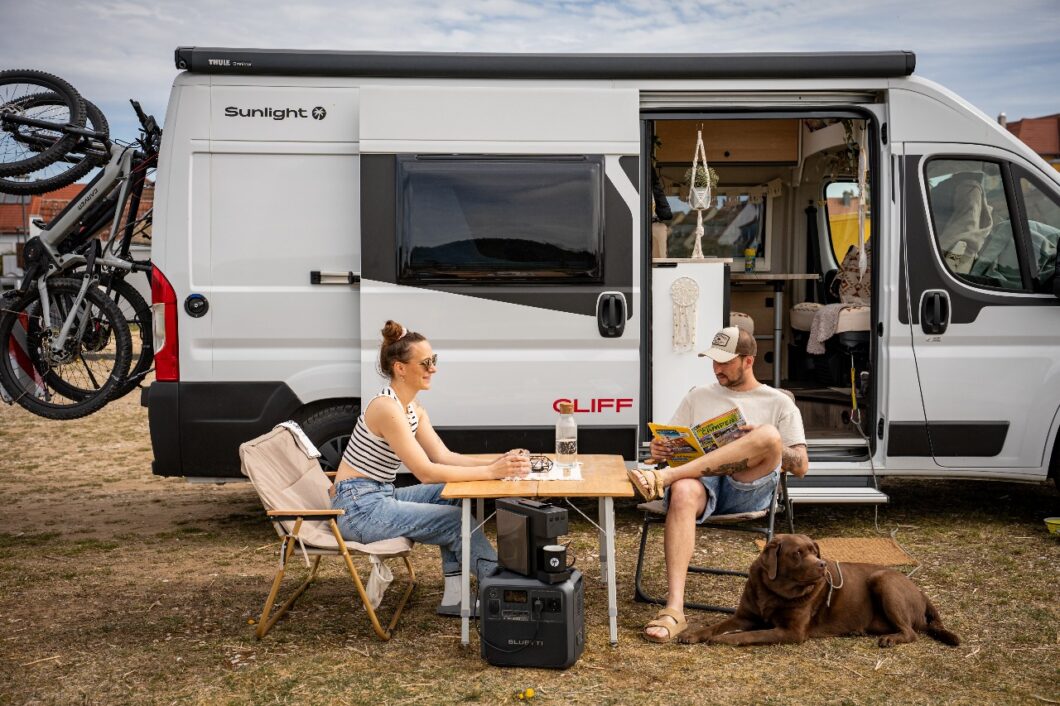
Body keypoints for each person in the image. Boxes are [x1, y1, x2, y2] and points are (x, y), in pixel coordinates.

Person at [331, 320, 531, 615]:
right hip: (357, 508)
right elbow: (425, 471)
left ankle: (455, 597)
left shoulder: (412, 408)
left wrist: (499, 462)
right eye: (425, 362)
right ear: (400, 368)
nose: (433, 368)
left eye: (434, 360)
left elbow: (444, 456)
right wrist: (491, 473)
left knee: (449, 493)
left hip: (379, 495)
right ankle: (508, 591)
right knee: (454, 521)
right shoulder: (386, 408)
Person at [626, 326, 809, 643]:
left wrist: (766, 444)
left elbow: (802, 467)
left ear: (748, 361)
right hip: (701, 486)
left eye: (725, 362)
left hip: (746, 489)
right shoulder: (699, 395)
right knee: (682, 490)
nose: (717, 368)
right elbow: (674, 442)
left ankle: (663, 480)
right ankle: (674, 609)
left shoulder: (778, 402)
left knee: (768, 436)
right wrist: (660, 452)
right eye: (713, 360)